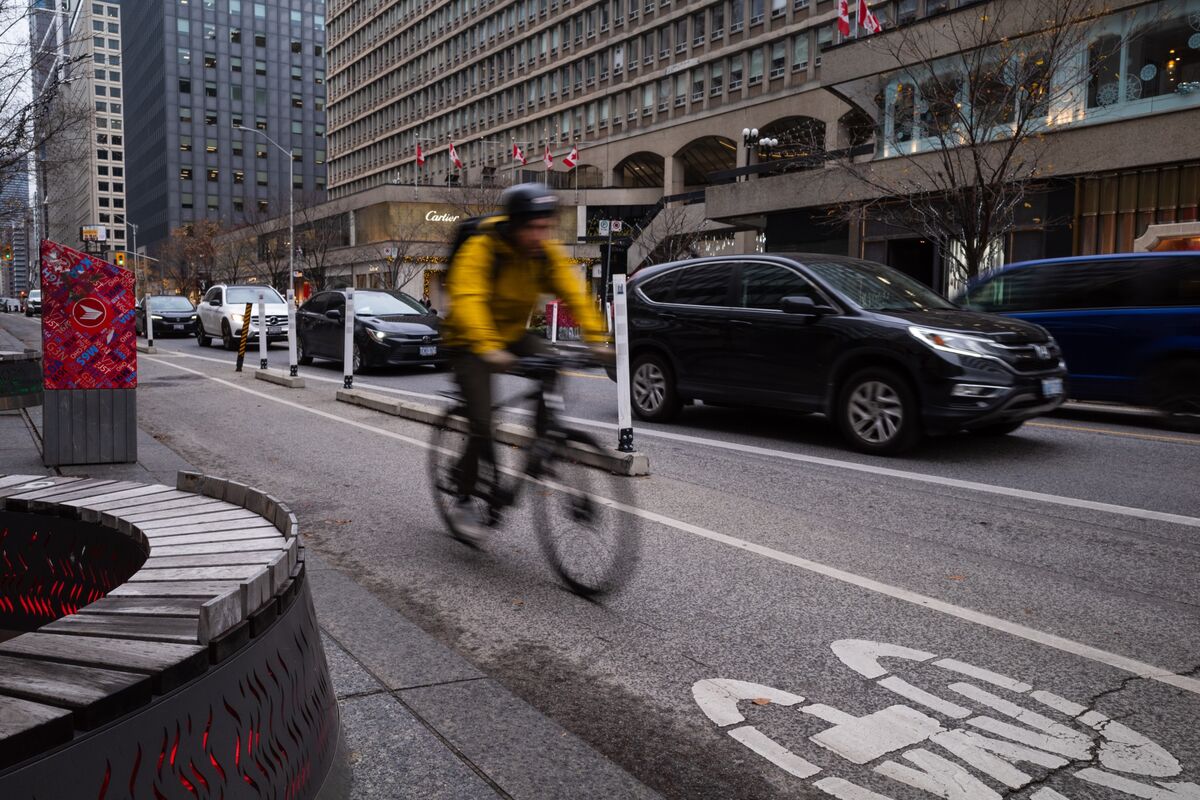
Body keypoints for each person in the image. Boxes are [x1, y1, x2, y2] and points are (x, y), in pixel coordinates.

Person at [442, 183, 610, 542]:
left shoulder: (543, 254)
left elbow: (575, 293)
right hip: (469, 338)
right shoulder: (482, 248)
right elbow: (468, 298)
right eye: (532, 228)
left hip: (511, 333)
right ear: (514, 224)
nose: (539, 235)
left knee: (550, 361)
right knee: (482, 420)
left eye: (545, 226)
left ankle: (544, 440)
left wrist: (598, 340)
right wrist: (488, 349)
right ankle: (464, 495)